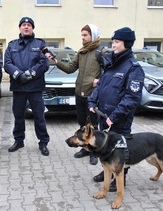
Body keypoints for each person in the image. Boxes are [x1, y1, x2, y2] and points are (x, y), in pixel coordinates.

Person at [88, 27, 145, 192]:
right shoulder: (110, 62)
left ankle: (121, 178)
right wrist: (91, 102)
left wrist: (114, 116)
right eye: (113, 41)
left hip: (118, 119)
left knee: (119, 149)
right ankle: (106, 170)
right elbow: (100, 86)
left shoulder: (133, 68)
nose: (113, 45)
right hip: (103, 116)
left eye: (117, 42)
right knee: (105, 147)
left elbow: (132, 97)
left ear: (126, 43)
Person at [47, 24, 105, 165]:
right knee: (82, 123)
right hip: (79, 93)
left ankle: (95, 152)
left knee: (93, 126)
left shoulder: (102, 52)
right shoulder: (81, 52)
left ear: (94, 35)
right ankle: (85, 148)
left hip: (93, 95)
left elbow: (110, 71)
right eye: (82, 35)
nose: (83, 38)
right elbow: (70, 68)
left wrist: (100, 80)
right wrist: (55, 61)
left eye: (85, 35)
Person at [4, 17, 50, 156]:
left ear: (32, 28)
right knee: (18, 116)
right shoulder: (12, 45)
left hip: (35, 87)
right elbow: (7, 63)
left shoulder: (40, 44)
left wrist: (30, 74)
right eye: (23, 25)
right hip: (18, 88)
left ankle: (43, 142)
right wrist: (18, 74)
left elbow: (44, 63)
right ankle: (19, 141)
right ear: (19, 28)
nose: (26, 27)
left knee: (39, 116)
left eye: (29, 25)